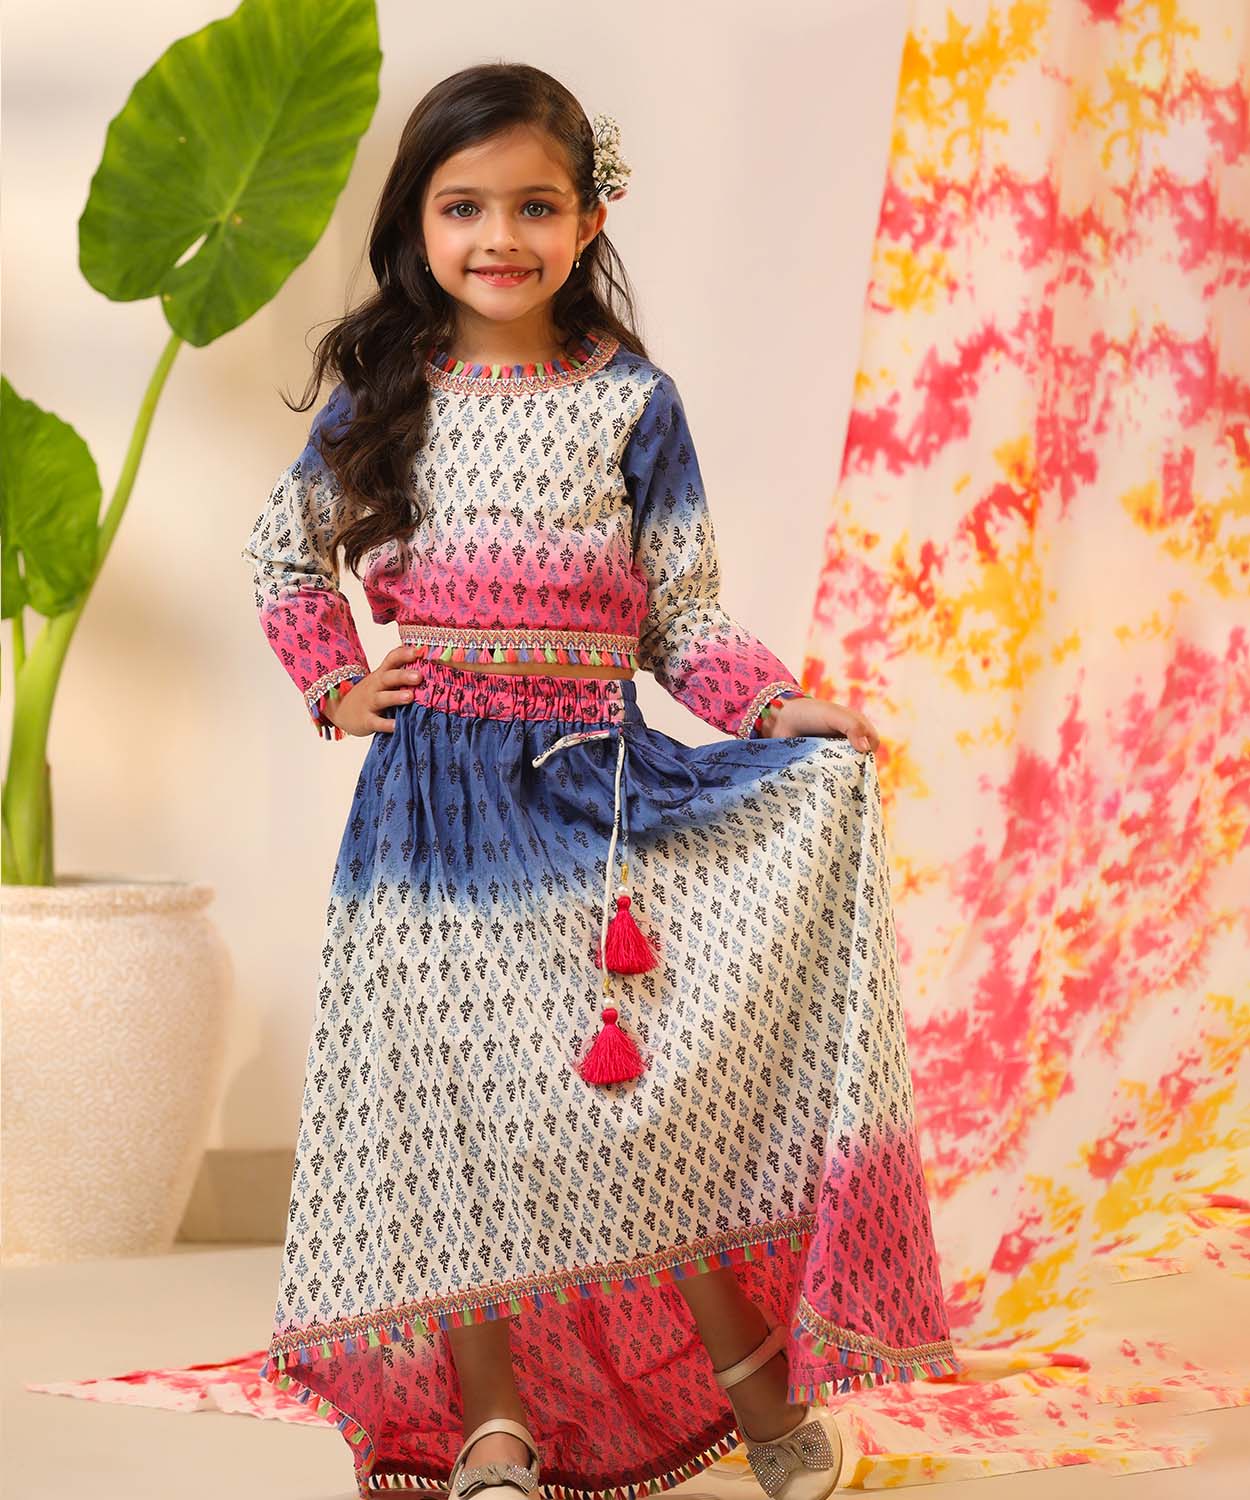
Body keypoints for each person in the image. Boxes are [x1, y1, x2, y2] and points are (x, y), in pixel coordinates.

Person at [241, 60, 960, 1500]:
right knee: (466, 1123)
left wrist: (774, 707)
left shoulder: (631, 400)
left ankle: (756, 1387)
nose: (498, 238)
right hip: (432, 819)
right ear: (416, 221)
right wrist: (336, 683)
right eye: (463, 207)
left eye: (534, 206)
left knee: (625, 1117)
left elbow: (680, 615)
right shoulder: (384, 395)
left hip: (597, 799)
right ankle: (492, 1424)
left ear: (588, 219)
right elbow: (281, 554)